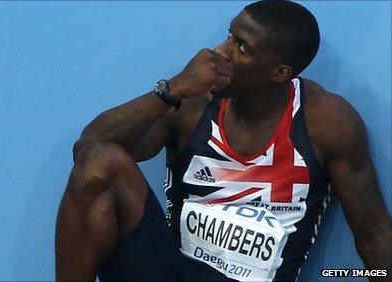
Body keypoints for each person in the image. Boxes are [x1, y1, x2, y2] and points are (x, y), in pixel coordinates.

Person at [55, 1, 391, 281]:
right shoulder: (190, 102)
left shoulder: (328, 122)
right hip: (173, 273)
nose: (220, 51)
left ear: (279, 72)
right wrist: (170, 91)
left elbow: (374, 235)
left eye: (241, 47)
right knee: (101, 161)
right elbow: (86, 150)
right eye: (229, 35)